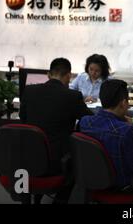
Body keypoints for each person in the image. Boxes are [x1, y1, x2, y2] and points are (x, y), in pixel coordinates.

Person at [20, 58, 92, 203]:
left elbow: (23, 119)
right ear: (68, 76)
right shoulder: (72, 96)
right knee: (78, 164)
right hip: (58, 163)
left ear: (48, 74)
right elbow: (89, 121)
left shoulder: (29, 91)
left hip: (27, 160)